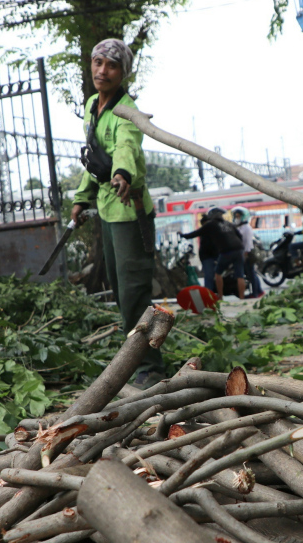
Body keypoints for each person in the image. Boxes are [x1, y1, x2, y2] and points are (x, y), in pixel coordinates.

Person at [69, 39, 163, 386]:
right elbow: (93, 158)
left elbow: (126, 147)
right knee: (120, 290)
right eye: (98, 62)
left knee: (134, 292)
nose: (102, 70)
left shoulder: (127, 111)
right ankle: (133, 359)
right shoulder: (92, 105)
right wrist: (82, 198)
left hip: (129, 212)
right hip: (108, 211)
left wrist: (122, 173)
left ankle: (150, 367)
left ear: (123, 73)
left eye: (111, 65)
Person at [204, 207, 246, 300]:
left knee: (218, 273)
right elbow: (239, 236)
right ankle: (242, 297)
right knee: (240, 275)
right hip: (239, 250)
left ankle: (220, 295)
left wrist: (183, 235)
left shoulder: (212, 225)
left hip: (227, 252)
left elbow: (197, 233)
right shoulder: (228, 224)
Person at [180, 212, 219, 295]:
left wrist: (183, 235)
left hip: (211, 256)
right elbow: (194, 234)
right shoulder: (208, 229)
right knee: (210, 275)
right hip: (209, 256)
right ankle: (209, 294)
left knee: (211, 275)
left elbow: (193, 234)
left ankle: (211, 293)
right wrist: (183, 235)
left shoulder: (210, 228)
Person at [233, 207, 264, 298]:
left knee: (251, 274)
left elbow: (247, 243)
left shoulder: (246, 228)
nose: (237, 218)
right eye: (236, 216)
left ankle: (255, 293)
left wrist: (245, 254)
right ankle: (258, 291)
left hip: (248, 254)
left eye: (238, 216)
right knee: (250, 273)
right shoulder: (240, 227)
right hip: (243, 253)